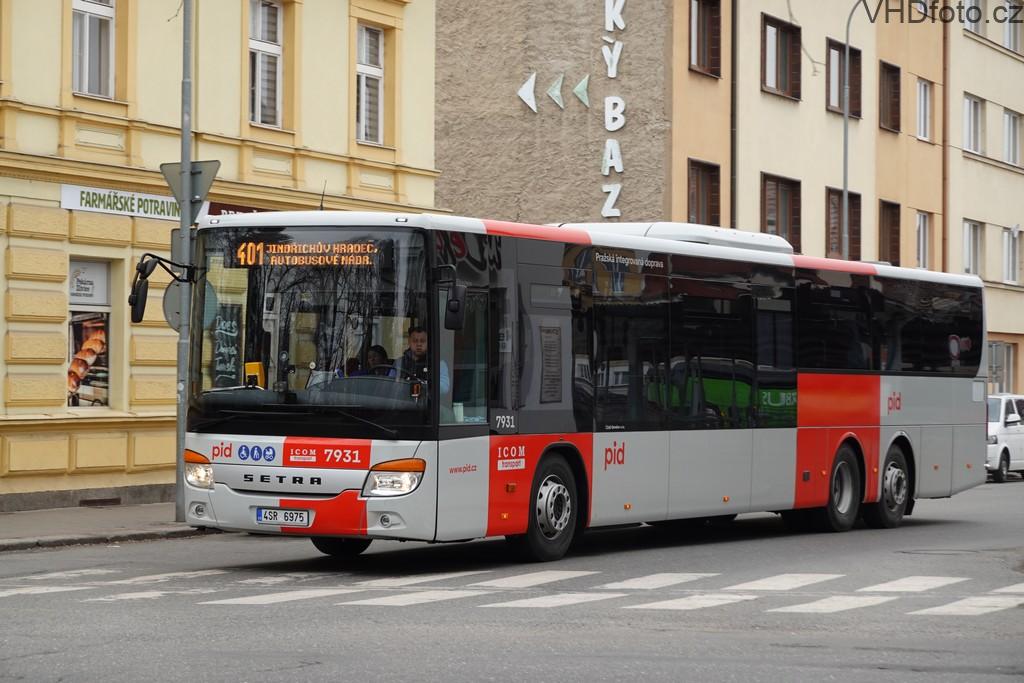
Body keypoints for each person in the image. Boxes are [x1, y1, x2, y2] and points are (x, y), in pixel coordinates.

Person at [397, 326, 449, 393]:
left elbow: (444, 387)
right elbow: (390, 384)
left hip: (428, 399)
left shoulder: (438, 363)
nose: (419, 344)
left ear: (428, 343)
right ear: (409, 342)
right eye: (415, 341)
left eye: (423, 341)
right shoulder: (399, 362)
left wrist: (424, 384)